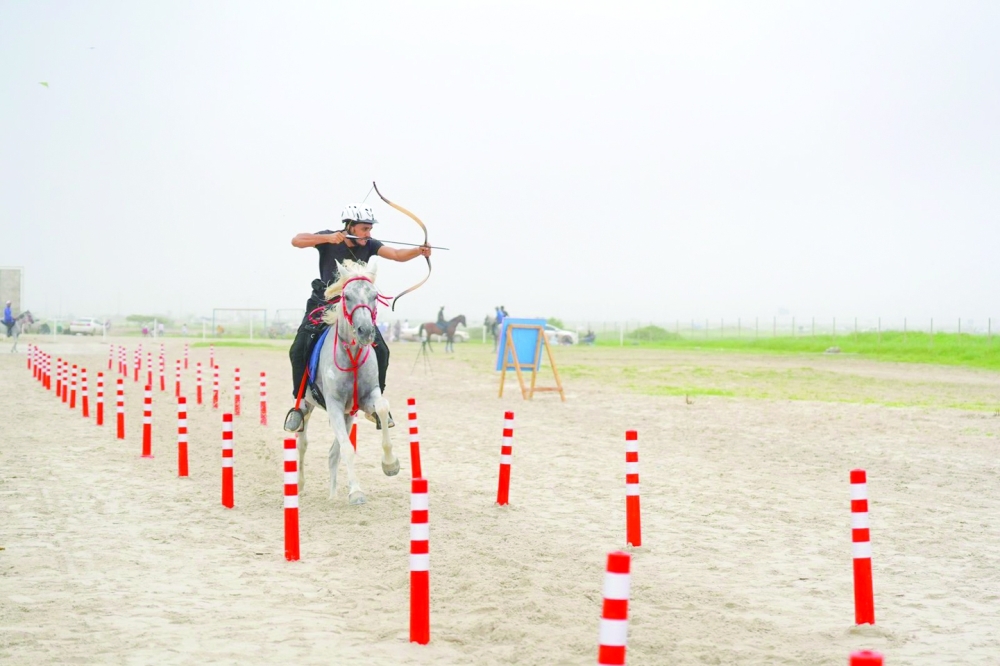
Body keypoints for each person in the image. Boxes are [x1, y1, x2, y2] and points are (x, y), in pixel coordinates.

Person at [284, 203, 432, 432]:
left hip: (355, 308)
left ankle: (375, 405)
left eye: (370, 229)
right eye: (364, 229)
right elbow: (297, 240)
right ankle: (300, 404)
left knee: (382, 350)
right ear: (350, 226)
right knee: (298, 348)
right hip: (324, 303)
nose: (368, 233)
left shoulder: (369, 244)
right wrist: (327, 239)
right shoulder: (329, 238)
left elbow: (395, 255)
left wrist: (418, 251)